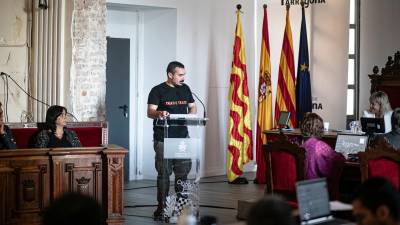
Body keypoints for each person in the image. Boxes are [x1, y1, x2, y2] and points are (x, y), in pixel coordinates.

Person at [147, 61, 197, 220]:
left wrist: (191, 115)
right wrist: (159, 113)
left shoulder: (186, 89)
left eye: (184, 74)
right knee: (164, 175)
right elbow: (150, 112)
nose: (183, 78)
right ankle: (162, 208)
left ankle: (180, 208)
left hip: (182, 138)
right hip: (163, 138)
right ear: (170, 75)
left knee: (183, 175)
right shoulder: (157, 90)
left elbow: (193, 107)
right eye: (180, 75)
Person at [300, 112, 345, 199]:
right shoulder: (320, 146)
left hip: (301, 190)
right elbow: (337, 161)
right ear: (319, 129)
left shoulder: (301, 146)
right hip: (317, 191)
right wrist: (343, 156)